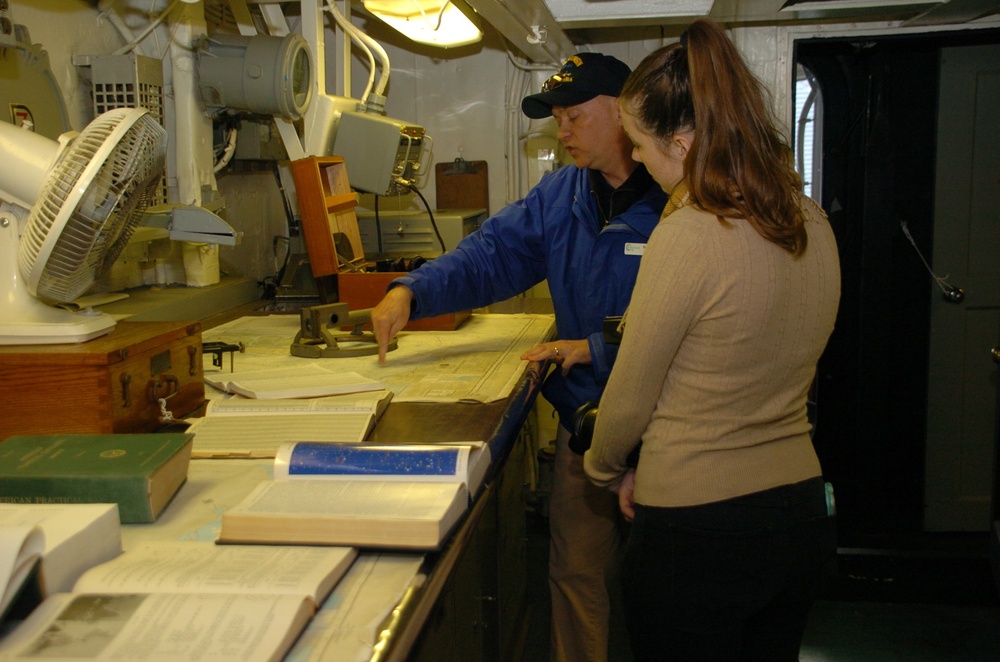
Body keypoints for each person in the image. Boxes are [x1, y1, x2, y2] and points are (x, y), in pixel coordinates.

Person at [371, 53, 668, 661]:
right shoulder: (561, 195)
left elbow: (694, 333)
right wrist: (413, 290)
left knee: (665, 590)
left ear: (622, 111)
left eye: (573, 115)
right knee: (575, 575)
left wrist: (599, 350)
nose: (562, 131)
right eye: (556, 117)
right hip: (584, 430)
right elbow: (492, 255)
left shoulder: (678, 200)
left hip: (669, 430)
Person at [582, 19, 841, 662]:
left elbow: (631, 393)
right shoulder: (811, 221)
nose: (636, 158)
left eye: (641, 144)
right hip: (802, 517)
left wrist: (606, 466)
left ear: (684, 138)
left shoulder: (691, 232)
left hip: (699, 535)